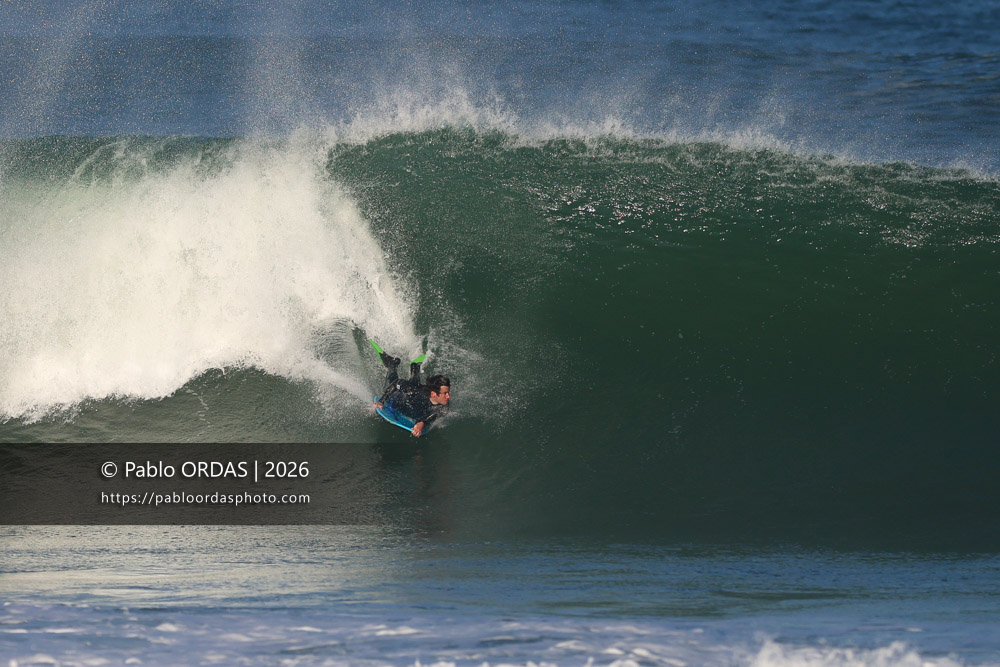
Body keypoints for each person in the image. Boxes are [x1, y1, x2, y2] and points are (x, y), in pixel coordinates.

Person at [373, 350, 450, 437]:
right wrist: (381, 401)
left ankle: (415, 366)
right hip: (398, 400)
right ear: (433, 394)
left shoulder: (444, 407)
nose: (448, 396)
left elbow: (432, 417)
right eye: (445, 393)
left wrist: (422, 423)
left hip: (415, 395)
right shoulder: (416, 392)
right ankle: (392, 364)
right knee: (393, 387)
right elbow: (397, 383)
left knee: (414, 384)